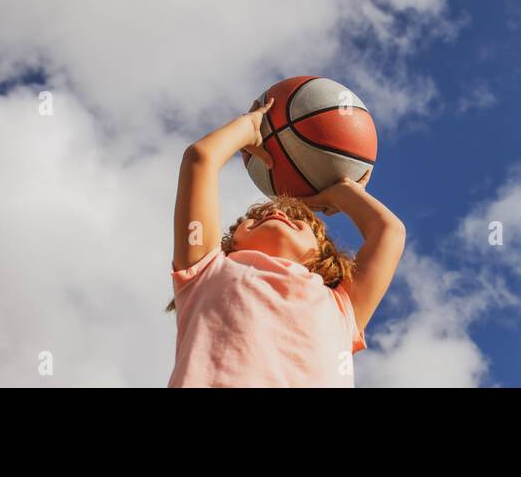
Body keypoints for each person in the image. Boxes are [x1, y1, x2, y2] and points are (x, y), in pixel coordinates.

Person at [167, 97, 405, 387]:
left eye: (301, 222)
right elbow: (200, 158)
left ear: (321, 255)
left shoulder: (342, 305)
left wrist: (341, 189)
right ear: (233, 243)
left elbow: (389, 232)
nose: (278, 212)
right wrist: (251, 126)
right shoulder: (205, 270)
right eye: (255, 218)